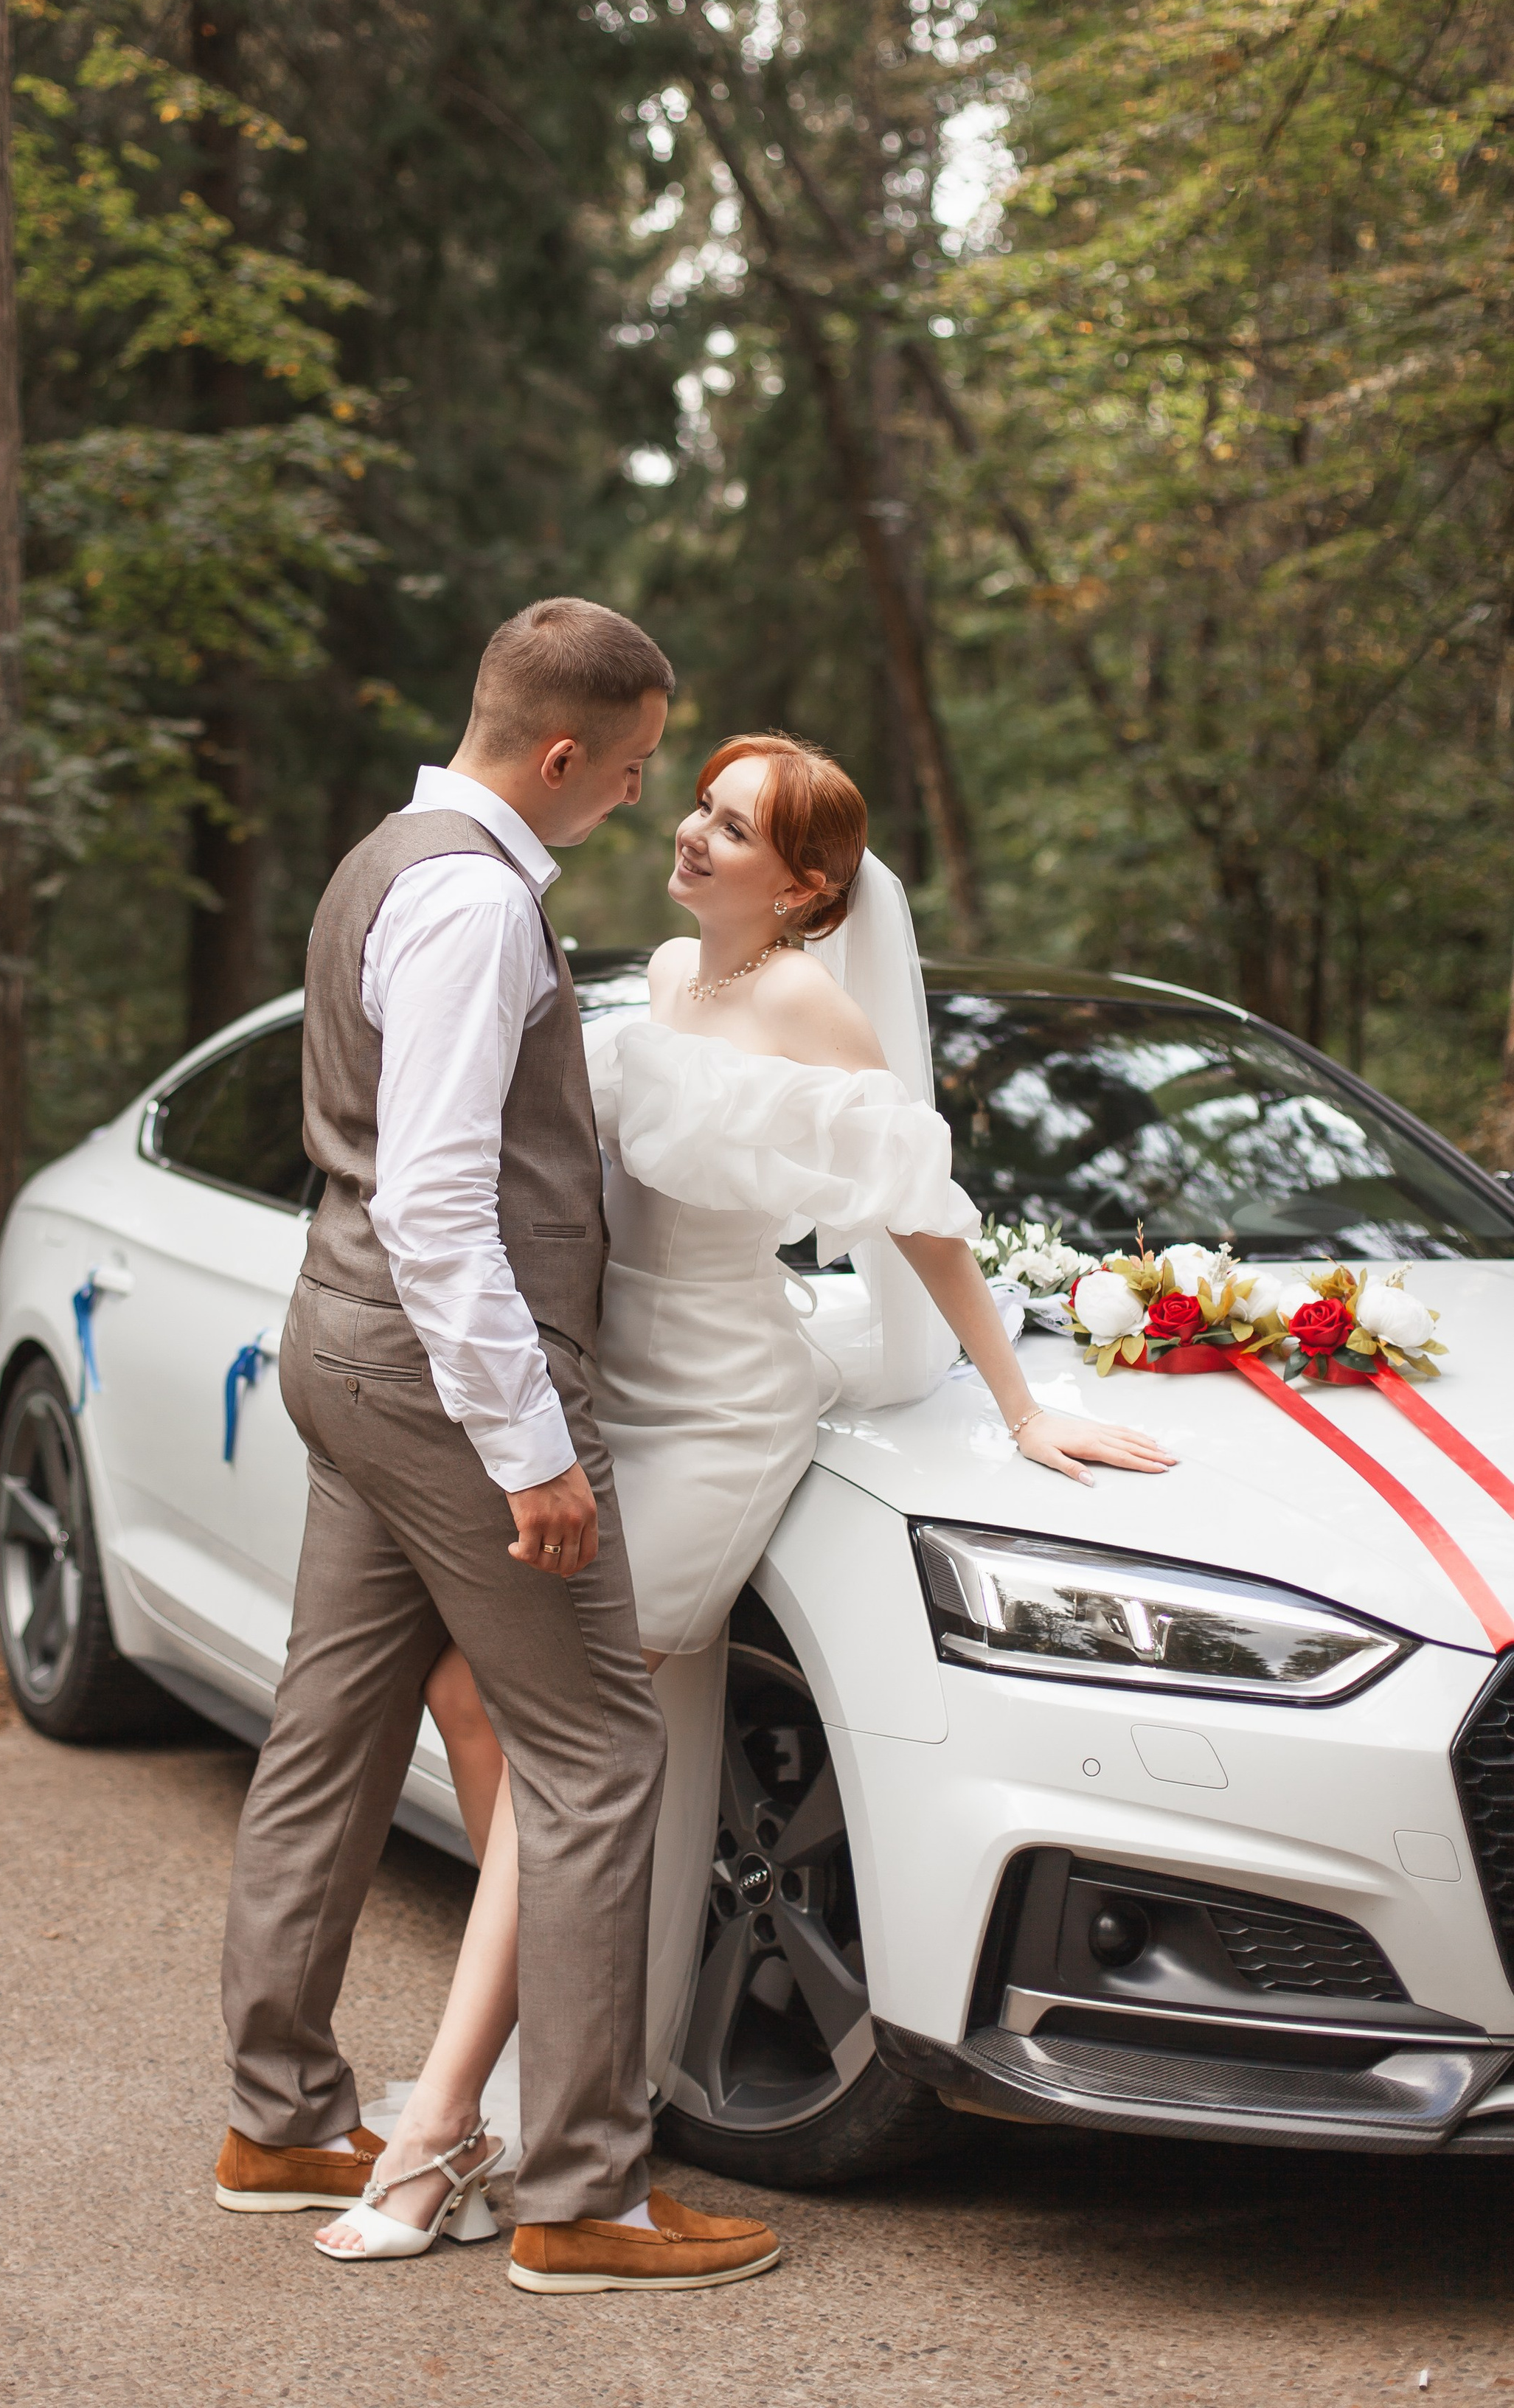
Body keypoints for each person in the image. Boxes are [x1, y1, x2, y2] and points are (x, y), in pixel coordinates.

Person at [318, 731, 1176, 2255]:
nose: (693, 837)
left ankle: (444, 2127)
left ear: (804, 884)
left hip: (721, 1410)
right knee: (561, 1732)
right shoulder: (657, 977)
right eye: (698, 810)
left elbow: (917, 1216)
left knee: (570, 1738)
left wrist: (1019, 1398)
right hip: (609, 1394)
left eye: (733, 827)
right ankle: (573, 2092)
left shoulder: (805, 1007)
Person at [214, 601, 784, 2297]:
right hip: (449, 1374)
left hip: (339, 1340)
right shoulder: (470, 901)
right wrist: (532, 1451)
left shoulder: (382, 856)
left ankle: (276, 2117)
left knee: (324, 1732)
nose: (631, 806)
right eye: (623, 775)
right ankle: (585, 2195)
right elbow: (442, 1203)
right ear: (556, 755)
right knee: (600, 1761)